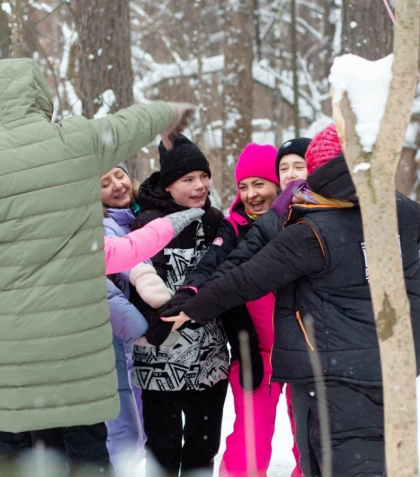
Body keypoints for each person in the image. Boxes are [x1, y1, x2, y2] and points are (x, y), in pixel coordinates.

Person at [0, 57, 198, 476]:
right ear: (43, 100)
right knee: (86, 454)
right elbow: (132, 121)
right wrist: (172, 113)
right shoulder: (78, 141)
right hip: (78, 353)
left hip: (9, 357)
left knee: (10, 453)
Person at [162, 124, 420, 477]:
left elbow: (246, 279)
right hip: (391, 364)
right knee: (377, 459)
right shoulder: (399, 210)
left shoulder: (310, 231)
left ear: (321, 171)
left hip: (328, 374)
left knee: (342, 463)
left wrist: (192, 308)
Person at [168, 143, 305, 477]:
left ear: (277, 183)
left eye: (258, 184)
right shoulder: (235, 227)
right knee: (250, 440)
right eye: (243, 186)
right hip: (256, 352)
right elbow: (214, 266)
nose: (250, 194)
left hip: (306, 351)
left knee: (311, 436)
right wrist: (190, 292)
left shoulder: (307, 221)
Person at [130, 134, 229, 476]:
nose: (200, 185)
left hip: (209, 359)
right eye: (188, 179)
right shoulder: (147, 224)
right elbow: (135, 282)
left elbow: (229, 279)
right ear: (169, 186)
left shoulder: (215, 220)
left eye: (204, 176)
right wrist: (155, 323)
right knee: (163, 448)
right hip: (160, 359)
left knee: (203, 447)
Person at [101, 162, 173, 471]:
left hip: (141, 337)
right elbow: (126, 258)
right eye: (105, 182)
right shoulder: (102, 225)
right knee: (121, 426)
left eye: (119, 175)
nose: (117, 185)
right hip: (116, 336)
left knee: (144, 422)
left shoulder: (142, 214)